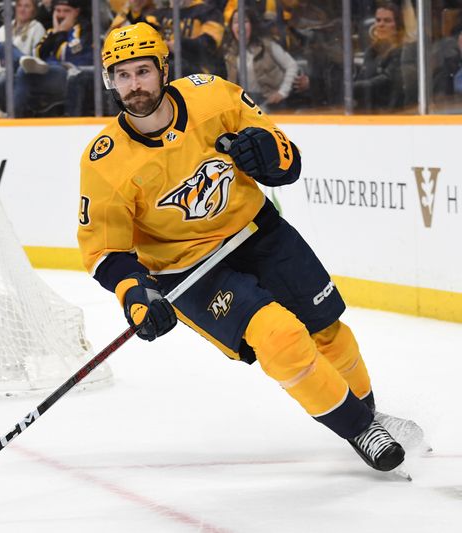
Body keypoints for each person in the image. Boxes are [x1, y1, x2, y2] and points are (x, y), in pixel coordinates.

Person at [78, 22, 426, 475]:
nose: (134, 85)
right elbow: (105, 250)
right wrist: (135, 294)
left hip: (256, 232)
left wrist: (269, 154)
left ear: (164, 69)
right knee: (280, 335)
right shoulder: (104, 160)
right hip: (188, 271)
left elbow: (287, 160)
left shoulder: (214, 96)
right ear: (110, 80)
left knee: (326, 329)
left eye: (142, 71)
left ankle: (367, 413)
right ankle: (360, 429)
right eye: (121, 75)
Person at [0, 0, 91, 119]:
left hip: (68, 75)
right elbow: (37, 54)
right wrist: (56, 32)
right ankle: (8, 113)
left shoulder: (83, 30)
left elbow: (66, 55)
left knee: (23, 69)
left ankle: (11, 114)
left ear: (76, 12)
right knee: (7, 50)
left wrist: (60, 32)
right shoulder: (51, 31)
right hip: (46, 74)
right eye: (58, 11)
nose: (61, 15)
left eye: (66, 11)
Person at [223, 8, 298, 112]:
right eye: (236, 22)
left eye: (244, 21)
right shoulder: (229, 53)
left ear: (252, 25)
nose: (240, 26)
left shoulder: (267, 45)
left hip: (272, 105)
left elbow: (292, 65)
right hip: (245, 105)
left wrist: (282, 92)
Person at [353, 2, 406, 111]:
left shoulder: (401, 51)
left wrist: (351, 87)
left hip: (391, 112)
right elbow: (362, 77)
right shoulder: (370, 51)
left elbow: (386, 81)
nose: (381, 24)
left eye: (387, 21)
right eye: (378, 20)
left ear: (398, 25)